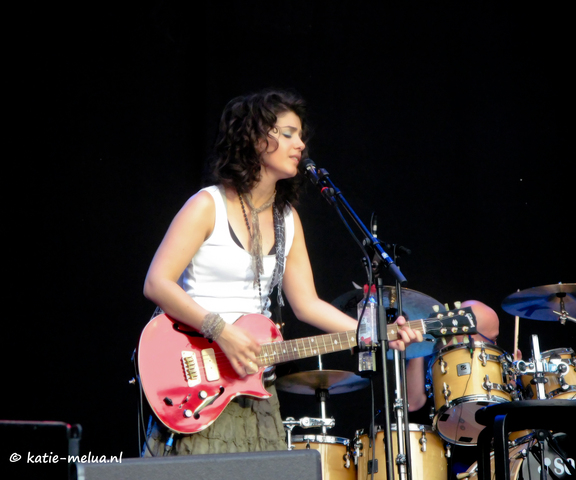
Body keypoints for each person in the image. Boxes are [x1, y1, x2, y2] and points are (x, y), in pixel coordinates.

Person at [141, 89, 421, 455]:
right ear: (256, 139)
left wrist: (373, 332)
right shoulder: (206, 205)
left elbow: (306, 304)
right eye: (288, 133)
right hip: (195, 368)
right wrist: (221, 330)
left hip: (252, 378)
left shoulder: (287, 219)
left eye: (301, 135)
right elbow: (156, 283)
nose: (300, 144)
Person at [406, 300, 500, 411]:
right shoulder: (424, 355)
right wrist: (418, 348)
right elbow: (412, 403)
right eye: (492, 340)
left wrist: (511, 380)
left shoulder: (489, 364)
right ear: (466, 333)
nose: (495, 345)